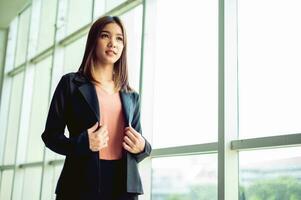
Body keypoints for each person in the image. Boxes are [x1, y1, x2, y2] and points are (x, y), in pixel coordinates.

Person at [41, 15, 152, 200]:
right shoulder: (70, 84)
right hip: (79, 182)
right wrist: (83, 143)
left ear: (123, 47)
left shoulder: (132, 96)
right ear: (94, 40)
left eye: (119, 38)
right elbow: (50, 136)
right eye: (105, 36)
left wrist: (143, 147)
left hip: (123, 187)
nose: (113, 43)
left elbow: (136, 145)